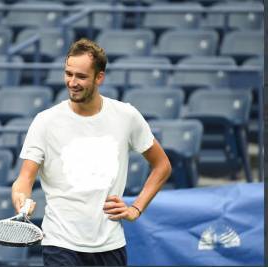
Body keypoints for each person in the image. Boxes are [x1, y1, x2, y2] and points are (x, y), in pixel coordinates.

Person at [12, 38, 171, 266]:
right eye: (68, 74)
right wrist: (21, 197)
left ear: (99, 77)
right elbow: (24, 178)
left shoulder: (126, 116)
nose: (72, 82)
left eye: (81, 76)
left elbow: (162, 166)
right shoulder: (45, 121)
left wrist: (136, 208)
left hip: (110, 246)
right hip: (60, 243)